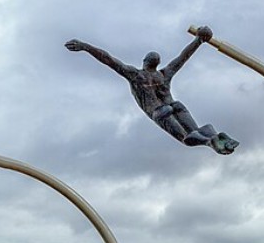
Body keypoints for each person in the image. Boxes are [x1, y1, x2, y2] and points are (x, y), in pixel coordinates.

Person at [65, 26, 239, 155]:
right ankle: (210, 135)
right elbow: (182, 57)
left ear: (144, 61)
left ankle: (209, 139)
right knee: (188, 123)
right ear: (155, 63)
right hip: (174, 105)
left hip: (159, 111)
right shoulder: (164, 74)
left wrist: (85, 46)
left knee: (187, 138)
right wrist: (198, 40)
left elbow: (109, 59)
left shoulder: (135, 75)